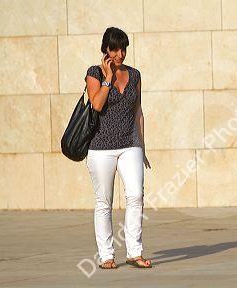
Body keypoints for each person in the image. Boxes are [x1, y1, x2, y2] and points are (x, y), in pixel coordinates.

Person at [84, 27, 152, 269]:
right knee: (104, 202)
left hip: (129, 144)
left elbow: (138, 110)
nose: (120, 54)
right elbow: (97, 104)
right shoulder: (94, 73)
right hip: (101, 147)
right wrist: (107, 78)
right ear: (106, 50)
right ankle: (106, 255)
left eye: (123, 49)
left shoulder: (134, 75)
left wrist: (142, 146)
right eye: (115, 49)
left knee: (136, 195)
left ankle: (134, 252)